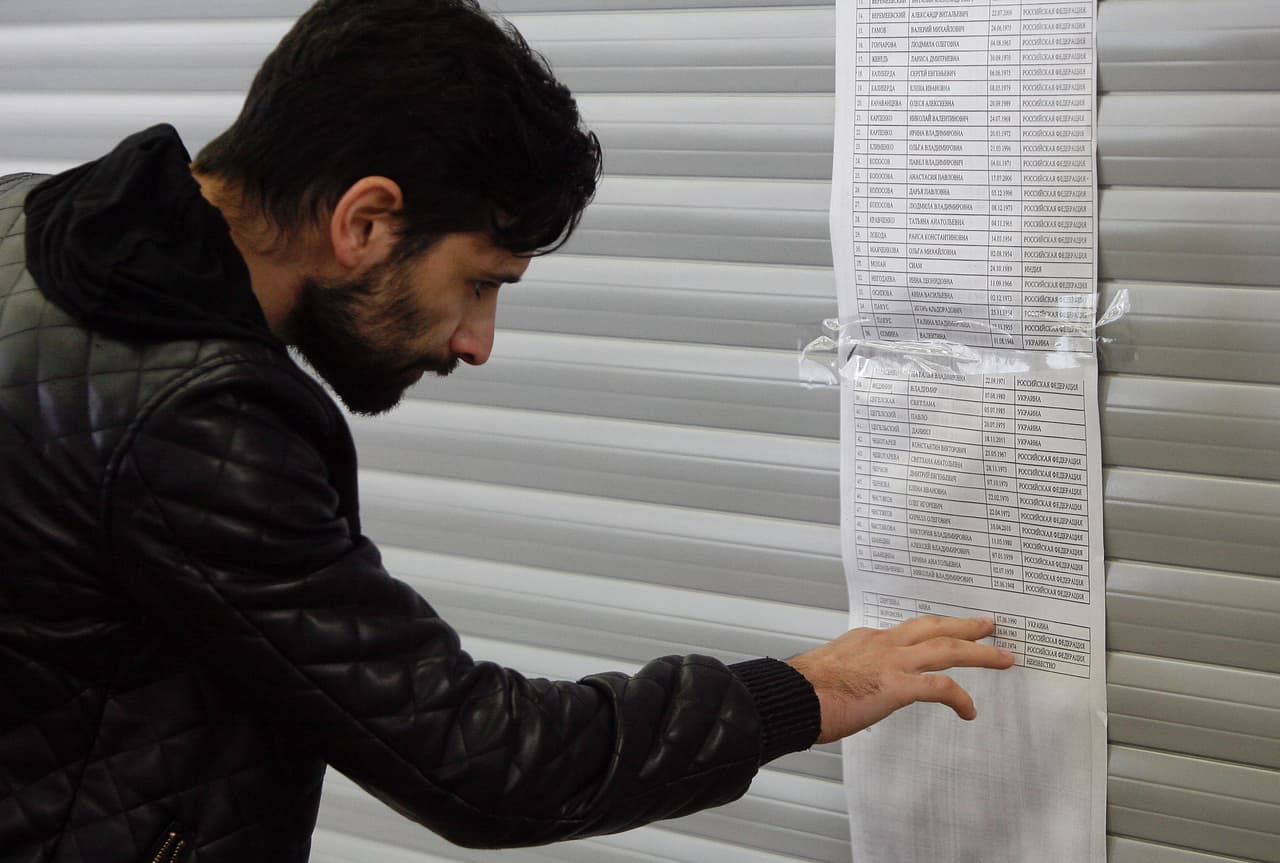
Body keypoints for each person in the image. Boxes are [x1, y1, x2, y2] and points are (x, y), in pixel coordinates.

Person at [0, 1, 1014, 860]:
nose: (478, 341)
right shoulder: (198, 427)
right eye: (480, 282)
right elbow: (483, 759)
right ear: (364, 222)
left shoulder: (25, 220)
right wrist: (804, 689)